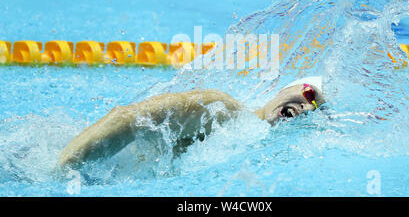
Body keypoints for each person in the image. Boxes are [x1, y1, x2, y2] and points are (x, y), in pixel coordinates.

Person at [58, 76, 325, 170]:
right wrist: (62, 170)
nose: (307, 107)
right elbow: (128, 118)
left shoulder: (268, 156)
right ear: (283, 90)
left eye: (314, 110)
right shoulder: (220, 109)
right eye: (310, 94)